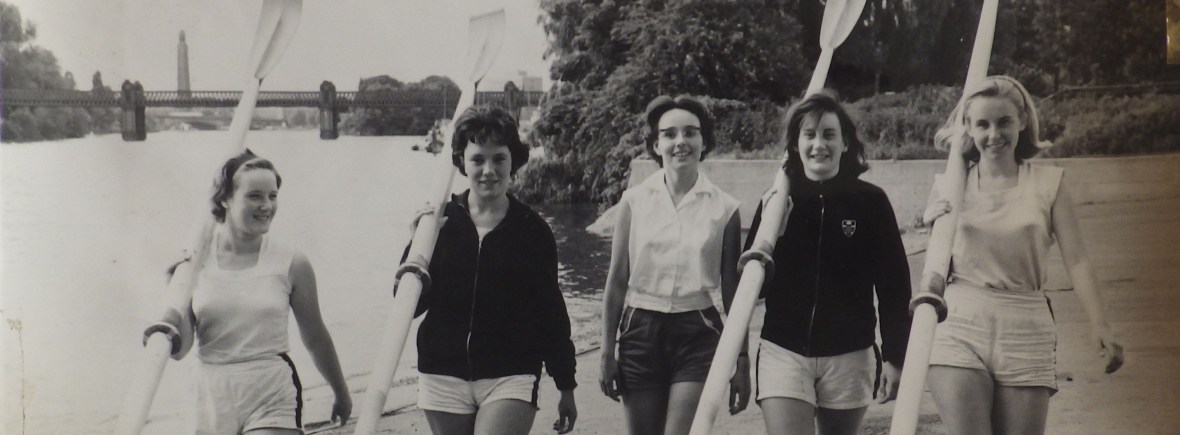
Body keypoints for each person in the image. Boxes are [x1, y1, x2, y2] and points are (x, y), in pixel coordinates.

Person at [922, 75, 1125, 435]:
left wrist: (1100, 324)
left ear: (1022, 122)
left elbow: (1076, 260)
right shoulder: (948, 185)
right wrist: (932, 225)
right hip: (960, 320)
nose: (993, 134)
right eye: (982, 124)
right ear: (967, 128)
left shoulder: (1050, 184)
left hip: (1026, 323)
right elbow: (937, 264)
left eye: (1004, 122)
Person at [397, 105, 578, 435]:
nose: (489, 170)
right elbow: (407, 307)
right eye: (478, 159)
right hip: (441, 373)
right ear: (462, 163)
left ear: (514, 162)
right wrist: (418, 245)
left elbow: (551, 311)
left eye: (499, 158)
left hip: (511, 374)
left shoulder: (532, 230)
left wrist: (566, 384)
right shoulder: (438, 223)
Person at [742, 92, 912, 435]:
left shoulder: (871, 202)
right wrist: (778, 234)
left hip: (850, 353)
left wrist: (896, 357)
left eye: (829, 135)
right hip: (784, 350)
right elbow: (751, 290)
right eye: (809, 135)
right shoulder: (777, 201)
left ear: (845, 143)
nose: (819, 144)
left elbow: (895, 288)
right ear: (795, 144)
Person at [149, 150, 351, 434]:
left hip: (271, 389)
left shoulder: (292, 262)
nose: (266, 206)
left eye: (273, 195)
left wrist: (340, 392)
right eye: (255, 196)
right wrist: (175, 291)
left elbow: (315, 336)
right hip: (210, 392)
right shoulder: (194, 263)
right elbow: (180, 351)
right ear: (225, 199)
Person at [599, 95, 750, 435]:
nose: (680, 141)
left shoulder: (725, 208)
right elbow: (617, 281)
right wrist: (606, 351)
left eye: (690, 133)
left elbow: (732, 291)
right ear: (656, 144)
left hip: (698, 332)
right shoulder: (633, 201)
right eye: (669, 134)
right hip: (640, 330)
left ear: (704, 141)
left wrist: (742, 359)